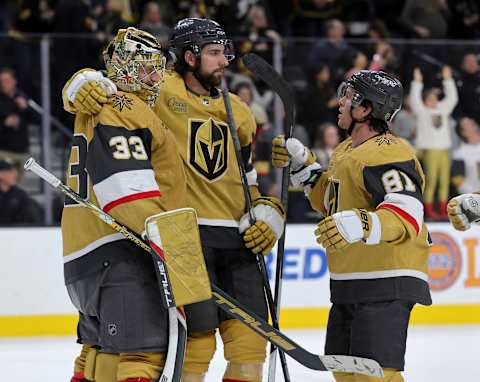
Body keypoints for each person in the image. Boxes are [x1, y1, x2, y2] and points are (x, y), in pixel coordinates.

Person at [61, 18, 285, 382]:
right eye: (214, 53)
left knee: (250, 344)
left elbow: (247, 181)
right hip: (184, 234)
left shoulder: (240, 111)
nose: (224, 61)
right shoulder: (157, 87)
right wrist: (80, 83)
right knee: (193, 343)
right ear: (189, 56)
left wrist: (269, 211)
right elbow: (110, 85)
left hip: (236, 240)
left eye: (225, 53)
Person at [272, 70, 432, 382]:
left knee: (374, 375)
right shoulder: (345, 151)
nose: (340, 102)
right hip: (351, 279)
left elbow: (406, 211)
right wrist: (305, 168)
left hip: (387, 276)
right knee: (346, 372)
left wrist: (365, 222)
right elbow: (332, 203)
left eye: (348, 96)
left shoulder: (389, 151)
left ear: (366, 108)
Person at [61, 27, 187, 382]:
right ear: (126, 68)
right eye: (145, 68)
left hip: (85, 253)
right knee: (142, 356)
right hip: (125, 252)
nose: (153, 78)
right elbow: (126, 191)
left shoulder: (97, 104)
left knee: (98, 354)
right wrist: (174, 248)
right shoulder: (125, 106)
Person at [410, 66, 458, 220]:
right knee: (431, 181)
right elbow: (414, 100)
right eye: (429, 99)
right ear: (425, 101)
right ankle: (429, 209)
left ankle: (443, 209)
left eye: (435, 98)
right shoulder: (422, 112)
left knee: (444, 181)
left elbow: (452, 99)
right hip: (430, 150)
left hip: (444, 150)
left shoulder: (443, 109)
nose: (433, 101)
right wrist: (417, 83)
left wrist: (448, 80)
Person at [0, 158, 43, 225]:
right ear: (1, 174)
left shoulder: (21, 195)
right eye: (11, 171)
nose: (15, 174)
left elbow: (27, 220)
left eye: (15, 171)